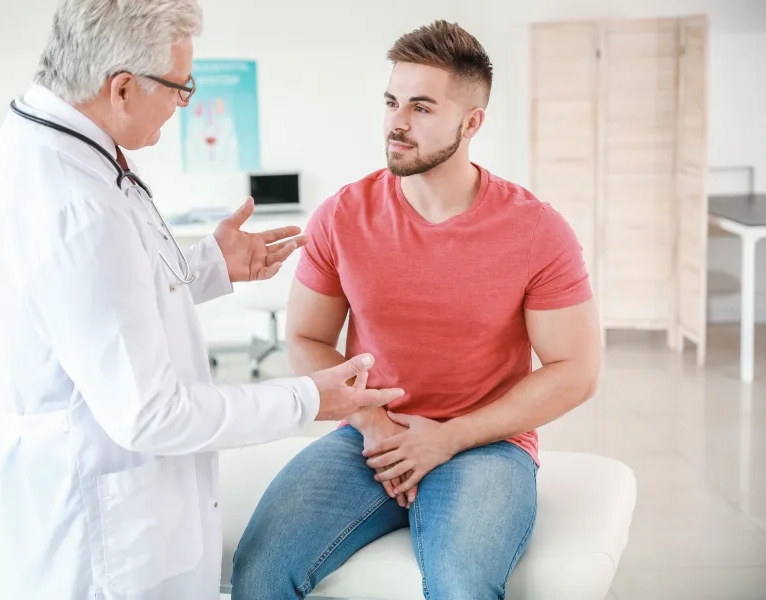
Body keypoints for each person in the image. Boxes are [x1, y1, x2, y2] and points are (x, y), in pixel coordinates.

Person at [0, 2, 404, 599]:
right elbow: (150, 414)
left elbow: (92, 300)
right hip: (100, 541)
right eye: (180, 89)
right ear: (121, 88)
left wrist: (207, 266)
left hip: (106, 497)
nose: (184, 104)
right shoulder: (72, 200)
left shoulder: (53, 144)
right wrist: (307, 398)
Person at [230, 20, 601, 600]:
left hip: (485, 444)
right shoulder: (342, 216)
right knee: (259, 572)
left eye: (422, 108)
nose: (397, 123)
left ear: (471, 121)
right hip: (368, 437)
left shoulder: (536, 230)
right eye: (391, 101)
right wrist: (375, 427)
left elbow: (575, 369)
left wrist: (450, 438)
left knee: (461, 587)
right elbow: (305, 337)